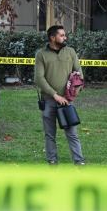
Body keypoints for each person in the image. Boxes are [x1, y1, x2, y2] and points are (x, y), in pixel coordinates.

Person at [35, 25, 86, 165]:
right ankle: (52, 161)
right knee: (50, 134)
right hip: (49, 100)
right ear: (52, 37)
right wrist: (55, 95)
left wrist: (73, 94)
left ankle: (79, 161)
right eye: (62, 35)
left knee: (72, 133)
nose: (65, 37)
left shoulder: (70, 52)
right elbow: (39, 78)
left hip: (67, 101)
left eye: (64, 35)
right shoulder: (41, 54)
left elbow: (79, 74)